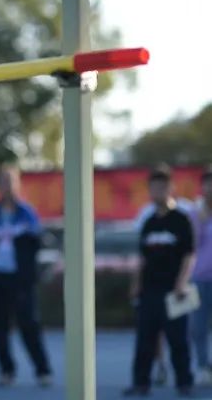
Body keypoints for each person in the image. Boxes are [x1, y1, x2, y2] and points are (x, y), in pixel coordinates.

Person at [0, 165, 52, 388]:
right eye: (3, 181)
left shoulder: (27, 212)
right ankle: (6, 370)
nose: (8, 185)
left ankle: (42, 370)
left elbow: (36, 242)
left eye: (12, 181)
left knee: (29, 324)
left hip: (20, 281)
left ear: (18, 183)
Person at [124, 166, 195, 397]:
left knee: (178, 340)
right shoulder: (149, 223)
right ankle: (140, 382)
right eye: (154, 187)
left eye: (163, 187)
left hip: (174, 291)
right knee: (145, 339)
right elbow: (142, 257)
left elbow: (189, 254)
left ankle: (184, 382)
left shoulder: (181, 220)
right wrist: (136, 283)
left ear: (170, 189)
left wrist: (182, 282)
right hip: (150, 291)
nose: (158, 191)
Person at [189, 167, 212, 383]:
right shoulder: (195, 214)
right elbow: (191, 246)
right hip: (200, 278)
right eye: (208, 183)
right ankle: (204, 366)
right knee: (198, 327)